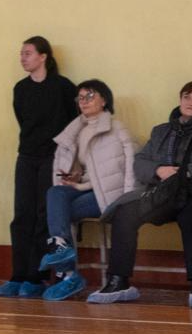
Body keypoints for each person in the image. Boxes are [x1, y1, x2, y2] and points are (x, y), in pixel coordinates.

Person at [102, 81, 192, 307]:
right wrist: (159, 170)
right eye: (187, 96)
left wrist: (187, 173)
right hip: (164, 193)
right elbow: (141, 161)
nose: (191, 102)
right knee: (125, 212)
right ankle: (119, 281)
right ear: (180, 100)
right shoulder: (162, 130)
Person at [37, 80, 137, 302]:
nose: (84, 101)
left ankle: (67, 274)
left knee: (59, 210)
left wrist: (128, 198)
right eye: (80, 98)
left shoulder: (116, 128)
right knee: (55, 193)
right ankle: (66, 261)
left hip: (109, 194)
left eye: (89, 96)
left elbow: (132, 163)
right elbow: (84, 167)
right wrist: (75, 175)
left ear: (104, 99)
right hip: (84, 188)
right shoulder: (76, 130)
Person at [0, 35, 78, 298]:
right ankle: (18, 274)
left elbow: (73, 123)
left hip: (53, 157)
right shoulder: (20, 89)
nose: (23, 58)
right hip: (27, 156)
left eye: (28, 53)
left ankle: (37, 276)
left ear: (43, 56)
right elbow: (24, 122)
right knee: (22, 214)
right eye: (21, 53)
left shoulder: (63, 87)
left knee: (43, 215)